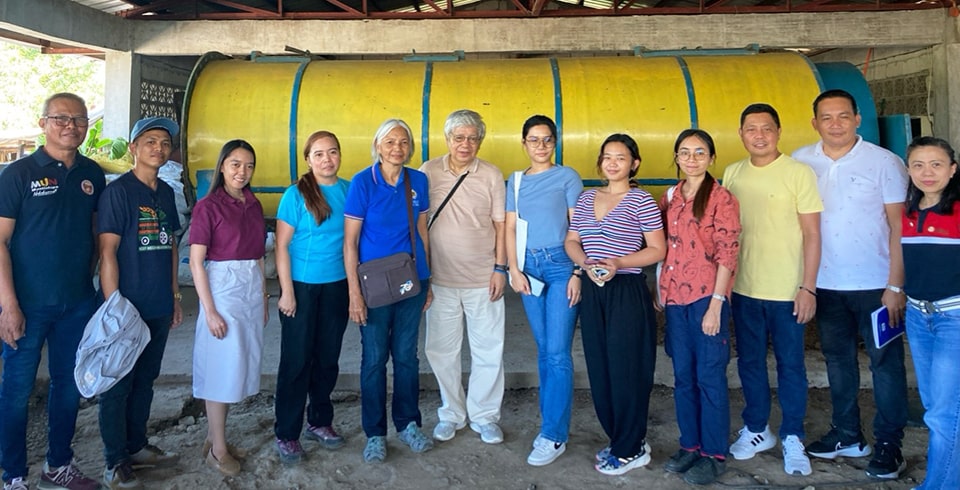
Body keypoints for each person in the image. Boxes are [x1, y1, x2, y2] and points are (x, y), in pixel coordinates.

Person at [792, 89, 909, 479]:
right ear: (815, 123)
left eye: (844, 116)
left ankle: (890, 444)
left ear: (858, 119)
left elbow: (898, 227)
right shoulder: (801, 161)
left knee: (885, 365)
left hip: (877, 285)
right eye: (827, 118)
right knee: (838, 362)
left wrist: (895, 285)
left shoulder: (885, 163)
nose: (836, 124)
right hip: (825, 284)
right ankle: (847, 434)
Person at [0, 93, 104, 490]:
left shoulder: (92, 174)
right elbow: (0, 241)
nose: (70, 125)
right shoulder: (18, 174)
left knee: (68, 385)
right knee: (17, 390)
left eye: (78, 119)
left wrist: (89, 285)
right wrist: (8, 305)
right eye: (60, 118)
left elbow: (95, 235)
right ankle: (13, 475)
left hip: (76, 305)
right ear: (43, 122)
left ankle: (58, 464)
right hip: (26, 305)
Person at [722, 103, 822, 477]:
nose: (759, 135)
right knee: (748, 362)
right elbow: (725, 234)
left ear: (778, 132)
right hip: (744, 288)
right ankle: (757, 428)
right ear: (741, 134)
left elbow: (812, 233)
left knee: (790, 365)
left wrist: (807, 287)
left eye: (766, 128)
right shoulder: (733, 173)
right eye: (751, 129)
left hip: (787, 290)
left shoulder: (798, 173)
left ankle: (793, 434)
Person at [564, 133, 665, 475]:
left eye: (620, 157)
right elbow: (573, 239)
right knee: (601, 367)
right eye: (607, 156)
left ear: (634, 163)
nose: (612, 162)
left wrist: (618, 263)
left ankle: (631, 448)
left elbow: (657, 249)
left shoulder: (641, 201)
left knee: (627, 369)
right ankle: (621, 437)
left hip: (626, 289)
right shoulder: (587, 196)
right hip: (594, 289)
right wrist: (584, 267)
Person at [96, 117, 183, 488]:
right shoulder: (118, 193)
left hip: (159, 304)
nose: (158, 148)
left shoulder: (165, 192)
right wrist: (114, 304)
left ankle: (136, 446)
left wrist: (175, 295)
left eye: (164, 142)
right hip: (126, 307)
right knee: (118, 384)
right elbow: (108, 251)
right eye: (150, 141)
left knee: (145, 380)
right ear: (133, 147)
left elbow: (172, 245)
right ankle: (114, 461)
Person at [344, 119, 433, 463]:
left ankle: (409, 423)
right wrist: (354, 293)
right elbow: (350, 243)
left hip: (412, 279)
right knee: (374, 359)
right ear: (378, 146)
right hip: (374, 286)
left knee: (407, 357)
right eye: (390, 141)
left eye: (404, 142)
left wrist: (429, 279)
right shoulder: (363, 183)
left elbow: (422, 231)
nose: (398, 147)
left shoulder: (418, 181)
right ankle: (375, 433)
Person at [658, 129, 741, 485]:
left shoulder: (722, 198)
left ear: (711, 157)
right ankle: (690, 445)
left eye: (699, 152)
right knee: (683, 378)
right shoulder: (671, 197)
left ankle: (714, 453)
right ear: (676, 157)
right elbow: (663, 244)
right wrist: (660, 286)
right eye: (685, 152)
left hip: (706, 298)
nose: (692, 158)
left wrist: (716, 305)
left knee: (709, 377)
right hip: (675, 298)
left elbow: (728, 254)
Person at [421, 110, 508, 445]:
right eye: (459, 137)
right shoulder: (427, 171)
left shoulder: (491, 174)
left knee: (488, 350)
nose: (465, 144)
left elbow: (501, 226)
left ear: (480, 141)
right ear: (447, 139)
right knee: (442, 351)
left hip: (483, 278)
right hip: (440, 280)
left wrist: (500, 268)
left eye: (473, 138)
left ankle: (485, 416)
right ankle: (451, 413)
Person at [506, 115, 583, 466]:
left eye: (547, 139)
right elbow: (509, 229)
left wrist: (577, 271)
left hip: (560, 265)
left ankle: (553, 434)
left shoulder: (567, 177)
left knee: (557, 352)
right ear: (524, 143)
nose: (541, 146)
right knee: (544, 350)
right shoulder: (516, 181)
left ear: (555, 142)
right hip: (528, 269)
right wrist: (513, 269)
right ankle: (550, 425)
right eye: (534, 139)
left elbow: (578, 226)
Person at [190, 140, 267, 476]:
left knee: (238, 367)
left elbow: (260, 256)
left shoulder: (253, 203)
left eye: (248, 166)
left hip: (249, 289)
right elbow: (196, 262)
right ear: (222, 166)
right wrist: (209, 310)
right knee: (221, 370)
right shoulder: (208, 207)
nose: (242, 172)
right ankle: (218, 450)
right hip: (222, 291)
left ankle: (213, 437)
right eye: (235, 164)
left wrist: (264, 296)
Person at [273, 131, 351, 464]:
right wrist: (287, 292)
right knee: (296, 361)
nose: (326, 159)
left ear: (339, 155)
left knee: (327, 358)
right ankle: (287, 433)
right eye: (318, 154)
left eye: (332, 152)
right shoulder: (295, 195)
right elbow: (280, 246)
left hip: (338, 286)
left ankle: (319, 421)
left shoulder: (349, 190)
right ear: (308, 159)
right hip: (302, 288)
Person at [901, 136, 960, 490]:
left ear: (952, 170)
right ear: (908, 170)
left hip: (954, 318)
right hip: (918, 318)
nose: (927, 172)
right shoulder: (909, 213)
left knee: (943, 412)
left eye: (936, 164)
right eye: (918, 165)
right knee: (936, 405)